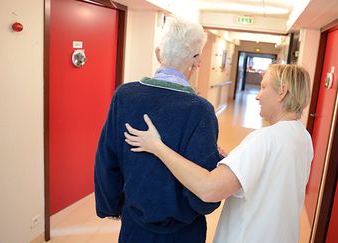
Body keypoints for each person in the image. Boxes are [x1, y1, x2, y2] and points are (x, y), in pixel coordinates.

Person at [124, 64, 314, 243]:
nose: (258, 96)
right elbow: (272, 176)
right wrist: (235, 162)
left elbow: (209, 190)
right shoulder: (303, 137)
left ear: (282, 92)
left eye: (263, 87)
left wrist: (157, 147)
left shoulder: (264, 139)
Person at [94, 17, 222, 243]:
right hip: (183, 231)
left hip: (134, 223)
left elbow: (107, 157)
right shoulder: (200, 111)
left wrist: (110, 205)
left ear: (157, 53)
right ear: (197, 60)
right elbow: (205, 192)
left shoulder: (125, 96)